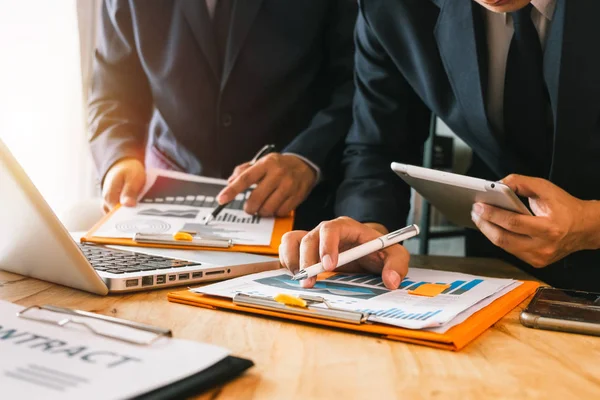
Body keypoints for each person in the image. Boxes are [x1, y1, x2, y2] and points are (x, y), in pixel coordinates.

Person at [280, 0, 600, 292]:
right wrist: (369, 228)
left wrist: (588, 224)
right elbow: (378, 143)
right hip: (503, 269)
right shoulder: (393, 7)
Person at [88, 0, 356, 230]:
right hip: (165, 201)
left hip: (299, 212)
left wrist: (307, 158)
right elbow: (113, 91)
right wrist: (119, 158)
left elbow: (354, 83)